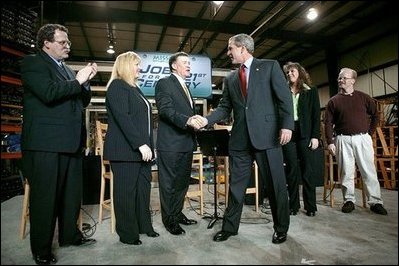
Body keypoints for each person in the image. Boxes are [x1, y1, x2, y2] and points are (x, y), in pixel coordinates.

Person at [198, 33, 294, 244]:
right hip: (240, 140)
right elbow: (224, 107)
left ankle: (281, 228)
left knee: (275, 185)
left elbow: (284, 98)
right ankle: (230, 227)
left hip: (268, 136)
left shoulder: (269, 66)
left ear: (242, 48)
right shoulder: (230, 78)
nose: (228, 52)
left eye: (230, 48)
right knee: (236, 186)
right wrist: (206, 121)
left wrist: (287, 126)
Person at [20, 23, 97, 265]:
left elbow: (81, 101)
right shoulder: (33, 63)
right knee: (45, 198)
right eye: (62, 42)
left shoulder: (66, 69)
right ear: (47, 43)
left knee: (71, 195)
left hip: (70, 143)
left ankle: (70, 236)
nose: (67, 46)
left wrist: (84, 83)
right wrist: (78, 81)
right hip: (46, 144)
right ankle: (41, 249)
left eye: (68, 42)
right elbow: (48, 93)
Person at [103, 51, 160, 245]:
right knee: (126, 193)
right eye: (136, 64)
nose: (140, 68)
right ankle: (127, 234)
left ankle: (144, 226)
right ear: (126, 66)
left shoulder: (135, 88)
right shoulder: (117, 86)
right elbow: (123, 118)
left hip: (142, 151)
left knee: (143, 191)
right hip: (126, 151)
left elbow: (143, 122)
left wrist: (150, 147)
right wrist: (141, 144)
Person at [324, 67, 388, 215]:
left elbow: (375, 116)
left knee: (368, 171)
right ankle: (349, 201)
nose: (341, 80)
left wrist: (369, 134)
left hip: (362, 138)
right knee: (346, 172)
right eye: (340, 78)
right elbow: (327, 123)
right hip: (342, 139)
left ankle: (375, 202)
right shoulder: (333, 101)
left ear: (353, 80)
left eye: (344, 78)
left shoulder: (364, 97)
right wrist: (330, 142)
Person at [155, 51, 202, 236]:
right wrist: (188, 120)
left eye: (189, 62)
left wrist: (196, 123)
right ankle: (169, 221)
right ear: (174, 65)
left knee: (182, 183)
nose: (189, 65)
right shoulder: (165, 83)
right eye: (185, 62)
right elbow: (165, 110)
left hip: (186, 143)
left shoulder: (185, 86)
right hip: (171, 144)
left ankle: (177, 212)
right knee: (169, 184)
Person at [282, 62, 321, 217]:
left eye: (292, 71)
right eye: (287, 72)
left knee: (307, 170)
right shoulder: (283, 91)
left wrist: (315, 136)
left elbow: (315, 115)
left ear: (299, 72)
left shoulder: (310, 91)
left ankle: (310, 206)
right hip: (288, 132)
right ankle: (293, 205)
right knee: (291, 170)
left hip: (305, 133)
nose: (290, 74)